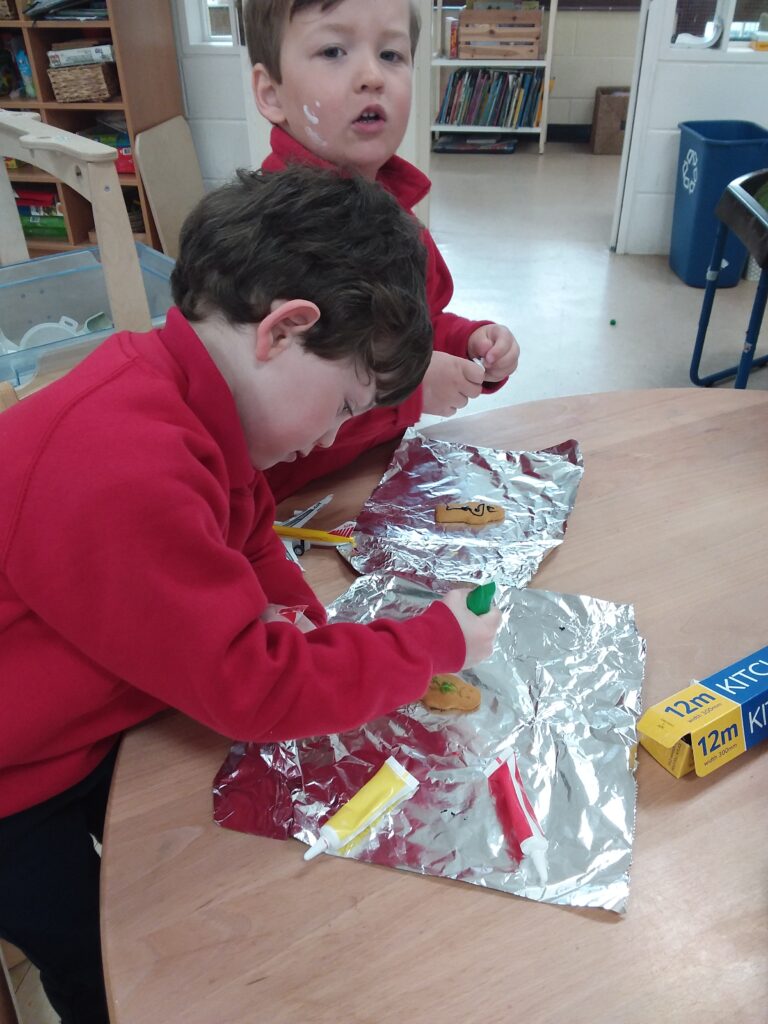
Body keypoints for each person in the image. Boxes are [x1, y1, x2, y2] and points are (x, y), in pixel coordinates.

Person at [0, 167, 501, 1024]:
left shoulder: (177, 390)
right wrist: (434, 644)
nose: (334, 436)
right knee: (122, 964)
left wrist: (306, 622)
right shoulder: (124, 467)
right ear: (283, 329)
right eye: (345, 406)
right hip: (15, 782)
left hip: (80, 714)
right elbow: (254, 690)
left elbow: (249, 528)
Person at [244, 0, 522, 503]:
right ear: (271, 92)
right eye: (334, 50)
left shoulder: (396, 215)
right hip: (277, 504)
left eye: (392, 55)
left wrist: (466, 343)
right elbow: (280, 410)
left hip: (367, 474)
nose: (372, 75)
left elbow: (407, 327)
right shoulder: (274, 236)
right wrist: (411, 393)